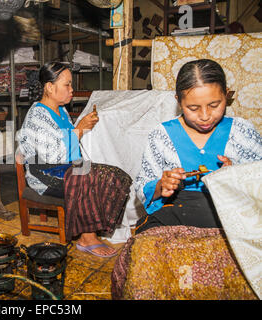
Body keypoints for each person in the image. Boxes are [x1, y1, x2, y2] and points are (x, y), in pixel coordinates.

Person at [17, 62, 132, 257]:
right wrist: (79, 130)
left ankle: (96, 226)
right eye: (67, 85)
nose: (72, 90)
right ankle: (87, 238)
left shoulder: (61, 111)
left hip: (68, 169)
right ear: (49, 87)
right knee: (89, 179)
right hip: (45, 176)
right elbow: (52, 157)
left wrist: (80, 129)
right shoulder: (37, 116)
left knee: (115, 176)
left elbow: (69, 146)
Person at [134, 59, 262, 234]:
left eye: (214, 105)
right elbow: (143, 188)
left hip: (231, 212)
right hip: (178, 210)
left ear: (226, 94)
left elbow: (258, 181)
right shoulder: (161, 135)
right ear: (179, 101)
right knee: (148, 237)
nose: (205, 116)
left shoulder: (241, 132)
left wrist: (235, 177)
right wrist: (161, 185)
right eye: (193, 108)